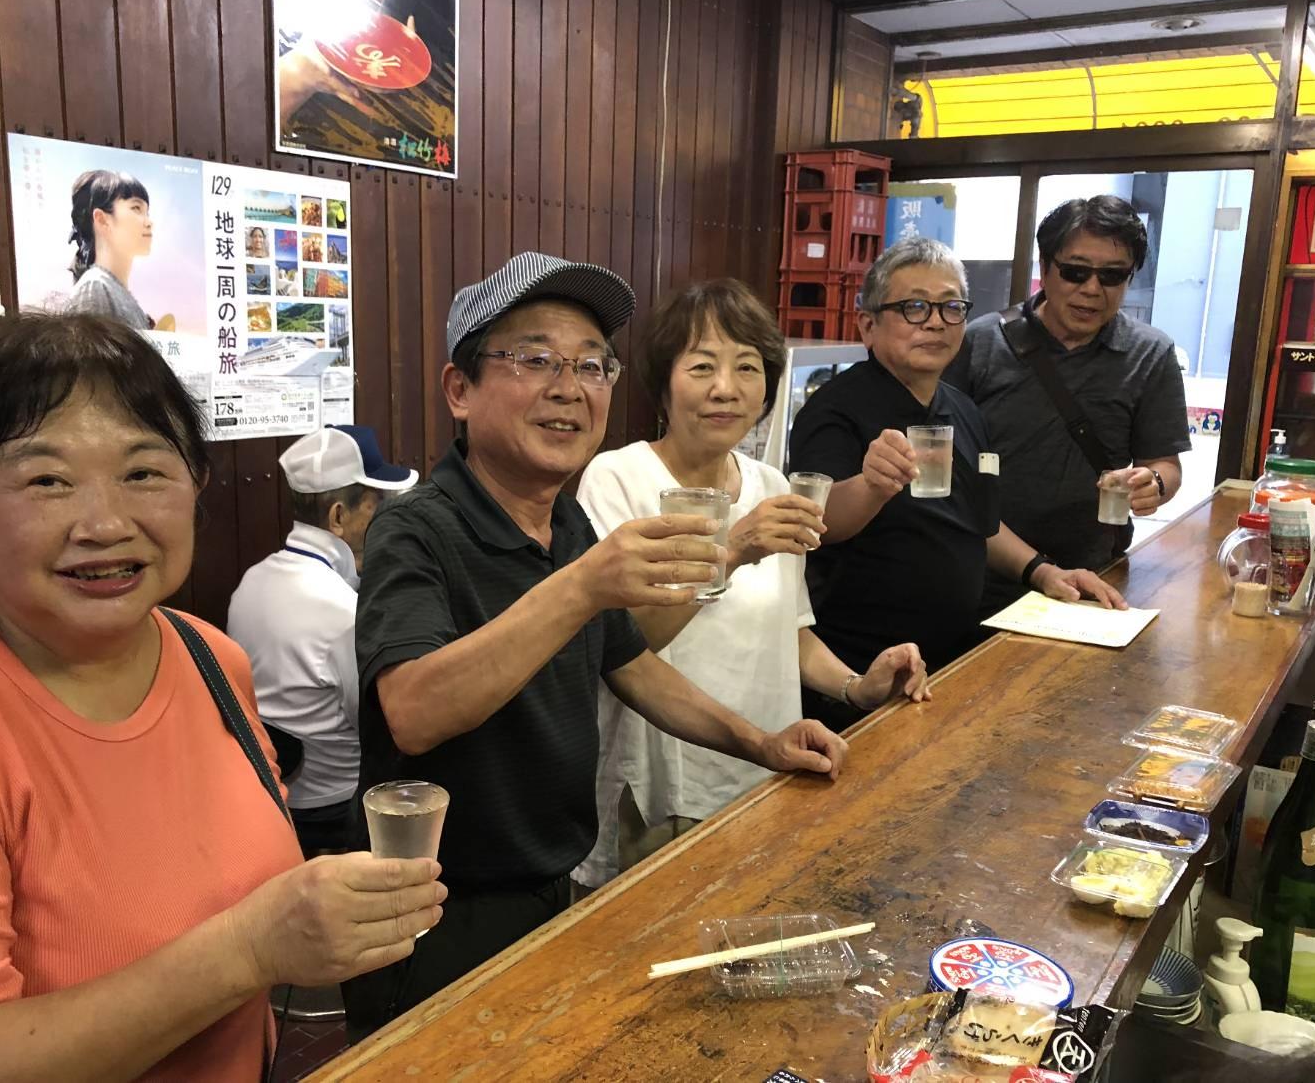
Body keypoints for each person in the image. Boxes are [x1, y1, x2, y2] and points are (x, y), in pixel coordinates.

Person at [0, 313, 444, 1081]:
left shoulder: (207, 655)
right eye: (47, 480)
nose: (106, 523)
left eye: (144, 471)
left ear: (194, 486)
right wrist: (249, 949)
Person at [341, 252, 848, 1038]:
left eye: (590, 365)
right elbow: (412, 710)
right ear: (459, 390)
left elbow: (633, 665)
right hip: (438, 912)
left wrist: (762, 742)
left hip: (558, 883)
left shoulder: (565, 521)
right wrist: (581, 586)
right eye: (534, 359)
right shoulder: (417, 527)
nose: (568, 387)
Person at [571, 279, 931, 892]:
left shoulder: (771, 485)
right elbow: (620, 647)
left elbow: (789, 635)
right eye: (703, 366)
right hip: (664, 794)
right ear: (664, 381)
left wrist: (855, 686)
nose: (725, 389)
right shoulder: (617, 478)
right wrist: (733, 551)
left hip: (773, 771)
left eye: (746, 368)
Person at [789, 238, 1124, 719]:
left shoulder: (962, 408)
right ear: (868, 324)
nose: (935, 322)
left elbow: (979, 521)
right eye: (914, 307)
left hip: (952, 658)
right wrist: (871, 486)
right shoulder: (836, 408)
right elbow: (816, 522)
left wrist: (1044, 571)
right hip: (863, 669)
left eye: (951, 308)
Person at [948, 195, 1191, 614]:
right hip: (981, 567)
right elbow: (946, 466)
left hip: (1095, 577)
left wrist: (1154, 482)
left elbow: (1165, 463)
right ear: (1045, 269)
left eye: (1112, 276)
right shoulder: (980, 341)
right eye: (1075, 272)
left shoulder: (1150, 354)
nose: (1092, 290)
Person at [227, 425, 417, 859]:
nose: (386, 520)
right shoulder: (343, 612)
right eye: (377, 507)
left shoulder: (251, 582)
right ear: (338, 516)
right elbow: (382, 727)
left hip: (273, 802)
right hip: (338, 816)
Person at [64, 170, 158, 331]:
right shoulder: (95, 288)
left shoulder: (111, 289)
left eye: (146, 212)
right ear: (102, 219)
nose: (149, 222)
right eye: (136, 208)